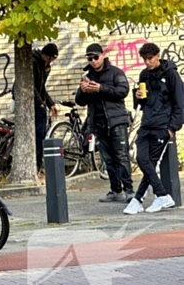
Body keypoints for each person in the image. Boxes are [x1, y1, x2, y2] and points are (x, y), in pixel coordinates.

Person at [124, 43, 183, 215]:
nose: (147, 62)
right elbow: (143, 103)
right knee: (143, 160)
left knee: (149, 163)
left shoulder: (171, 74)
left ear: (158, 56)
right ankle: (162, 195)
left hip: (163, 126)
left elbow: (180, 103)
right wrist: (138, 98)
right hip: (147, 123)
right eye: (144, 59)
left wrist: (172, 127)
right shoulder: (144, 75)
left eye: (150, 58)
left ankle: (137, 200)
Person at [75, 44, 134, 203]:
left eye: (96, 57)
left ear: (102, 56)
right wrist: (83, 90)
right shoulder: (88, 76)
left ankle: (129, 190)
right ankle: (115, 190)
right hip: (98, 122)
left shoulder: (116, 73)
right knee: (107, 159)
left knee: (121, 156)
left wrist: (100, 88)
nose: (93, 61)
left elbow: (122, 91)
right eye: (90, 58)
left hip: (116, 121)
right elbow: (79, 102)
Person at [32, 43, 59, 170]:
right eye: (51, 58)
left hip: (37, 100)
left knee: (40, 133)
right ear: (45, 55)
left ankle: (38, 163)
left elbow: (41, 88)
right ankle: (37, 164)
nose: (51, 62)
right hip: (33, 101)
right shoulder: (34, 62)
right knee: (39, 134)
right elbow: (31, 86)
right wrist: (41, 103)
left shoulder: (44, 66)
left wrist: (50, 103)